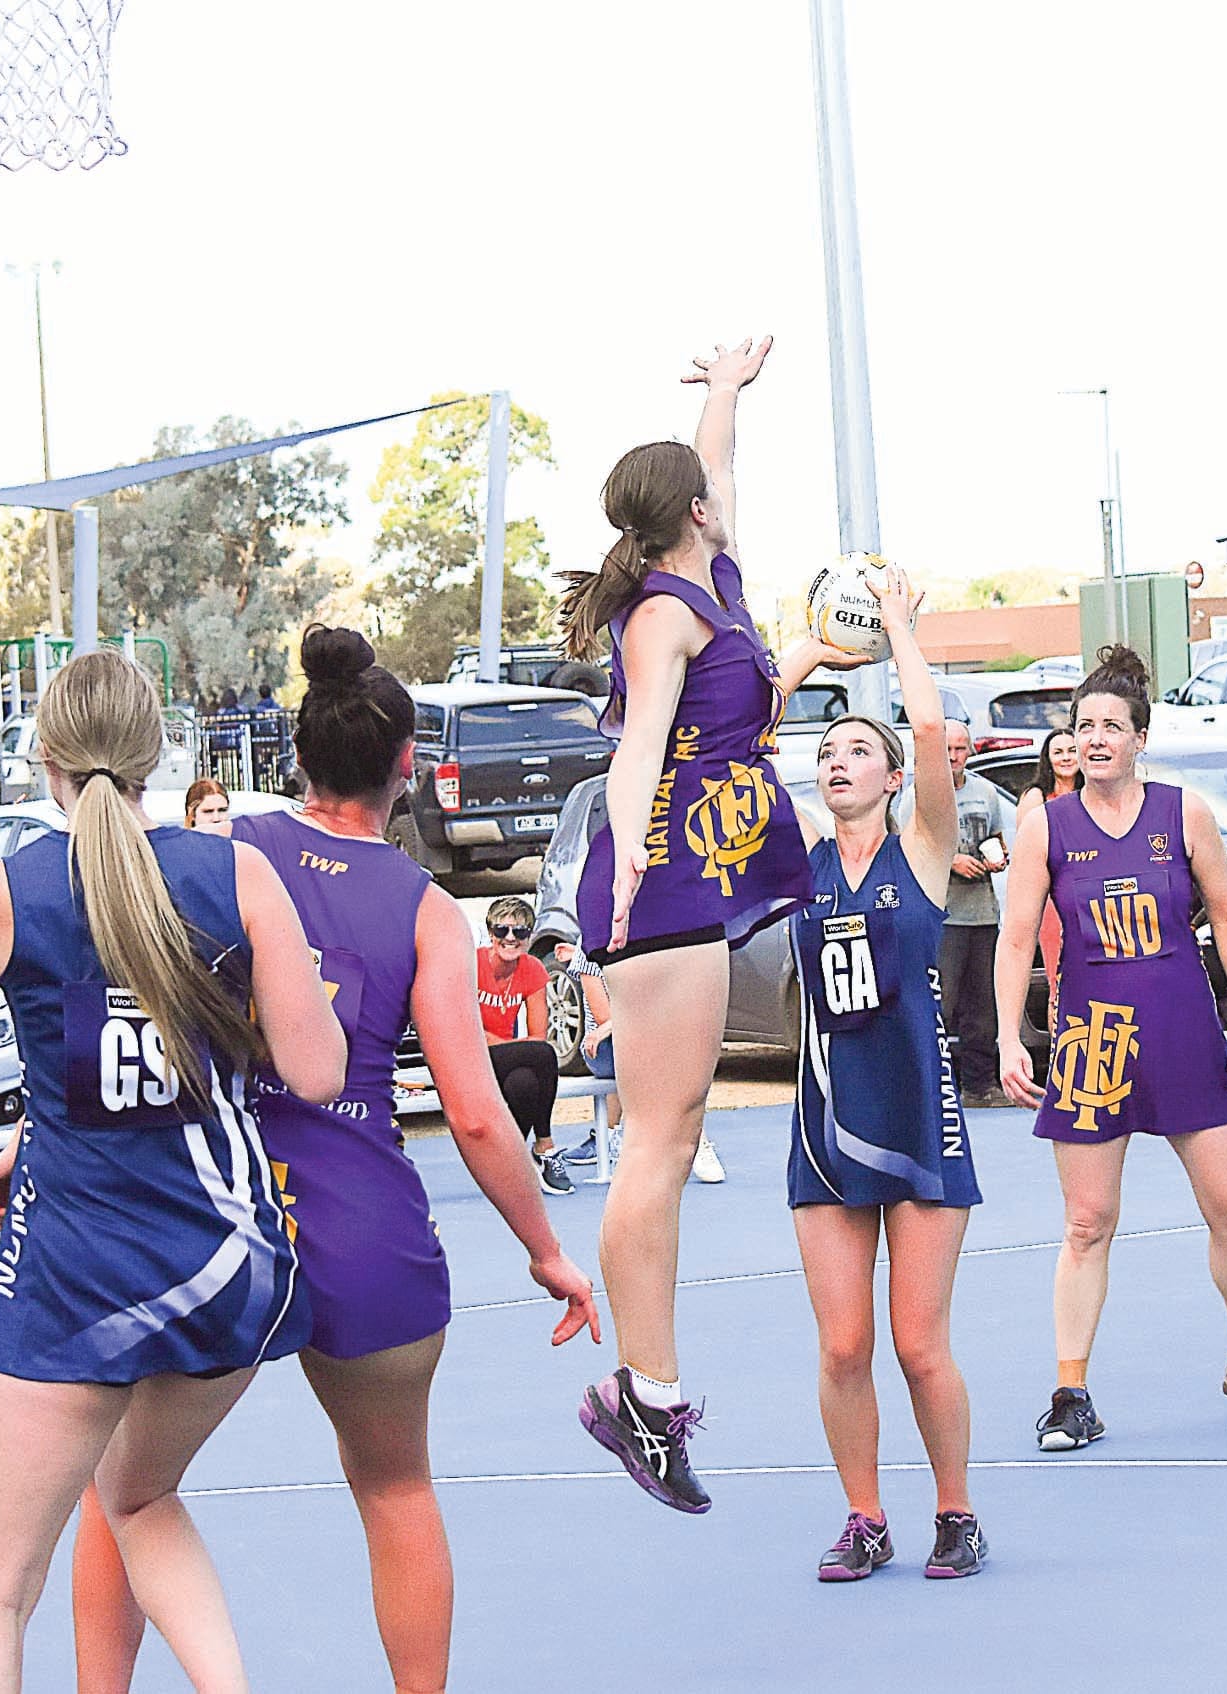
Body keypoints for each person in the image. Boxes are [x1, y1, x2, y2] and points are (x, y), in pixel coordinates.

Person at [0, 648, 348, 1690]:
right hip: (227, 1263)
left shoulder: (4, 891)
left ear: (42, 757)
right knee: (139, 1497)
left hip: (77, 1278)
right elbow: (319, 1071)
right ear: (157, 753)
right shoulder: (235, 873)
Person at [65, 625, 598, 1694]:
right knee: (396, 1489)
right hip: (362, 1222)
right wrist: (546, 1250)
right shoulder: (423, 908)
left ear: (297, 754)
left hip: (215, 1212)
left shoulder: (219, 854)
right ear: (407, 765)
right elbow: (477, 1114)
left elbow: (118, 1009)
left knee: (119, 1487)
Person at [560, 335, 864, 1512]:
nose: (724, 495)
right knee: (658, 1138)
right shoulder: (662, 615)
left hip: (703, 866)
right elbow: (638, 746)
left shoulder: (717, 582)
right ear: (690, 514)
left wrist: (727, 394)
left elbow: (717, 470)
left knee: (676, 1132)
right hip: (666, 875)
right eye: (708, 492)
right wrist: (630, 854)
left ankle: (646, 1387)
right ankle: (643, 1393)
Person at [996, 644, 1227, 1450]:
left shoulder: (1183, 813)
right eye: (1083, 726)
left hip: (1181, 1029)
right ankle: (1069, 1392)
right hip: (1092, 1041)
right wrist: (1007, 1036)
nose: (1095, 738)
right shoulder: (1046, 827)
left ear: (1140, 738)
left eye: (1111, 726)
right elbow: (1014, 940)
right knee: (1087, 1220)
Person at [789, 565, 987, 1582]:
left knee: (917, 1342)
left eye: (858, 749)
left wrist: (899, 628)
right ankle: (864, 1516)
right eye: (827, 751)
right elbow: (737, 747)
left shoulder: (923, 850)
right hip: (826, 1122)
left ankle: (957, 1511)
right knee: (842, 1345)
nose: (838, 760)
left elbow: (928, 723)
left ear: (896, 776)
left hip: (917, 1114)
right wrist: (812, 650)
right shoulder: (800, 860)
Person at [897, 721, 1009, 1108]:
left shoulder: (985, 792)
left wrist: (997, 856)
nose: (953, 756)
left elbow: (996, 836)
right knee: (939, 1005)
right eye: (946, 749)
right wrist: (951, 861)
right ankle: (930, 1089)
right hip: (940, 916)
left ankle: (980, 1085)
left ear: (970, 751)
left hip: (982, 913)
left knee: (983, 1007)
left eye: (960, 749)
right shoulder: (918, 796)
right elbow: (905, 850)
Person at [561, 942, 725, 1182]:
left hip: (648, 1039)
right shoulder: (590, 946)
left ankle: (620, 1139)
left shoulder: (652, 942)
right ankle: (694, 1138)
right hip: (604, 1048)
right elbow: (603, 1016)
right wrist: (622, 1023)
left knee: (665, 1046)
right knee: (656, 1048)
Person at [475, 896, 573, 1195]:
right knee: (542, 1054)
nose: (510, 938)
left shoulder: (532, 969)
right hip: (468, 1057)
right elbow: (469, 1032)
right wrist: (513, 1047)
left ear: (528, 937)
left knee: (524, 1082)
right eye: (502, 930)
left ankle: (510, 1162)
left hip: (505, 1059)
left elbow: (538, 1034)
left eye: (519, 931)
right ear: (490, 933)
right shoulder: (470, 964)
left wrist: (511, 1049)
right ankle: (544, 1144)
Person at [1015, 728, 1083, 990]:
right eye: (1058, 752)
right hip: (1054, 898)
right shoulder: (1036, 796)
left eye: (1072, 751)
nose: (1066, 758)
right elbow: (1026, 855)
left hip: (1092, 894)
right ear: (1048, 758)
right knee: (1060, 979)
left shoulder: (1093, 793)